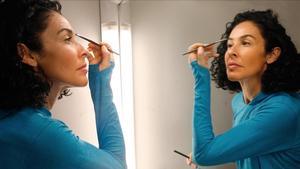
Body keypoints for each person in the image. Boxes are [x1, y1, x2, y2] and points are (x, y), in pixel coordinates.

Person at [0, 0, 126, 169]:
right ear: (27, 54)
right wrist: (101, 84)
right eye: (67, 38)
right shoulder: (41, 134)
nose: (84, 51)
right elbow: (116, 165)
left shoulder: (13, 122)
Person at [185, 9, 300, 169]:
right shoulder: (239, 101)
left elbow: (204, 154)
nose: (231, 51)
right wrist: (213, 152)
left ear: (271, 54)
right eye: (230, 44)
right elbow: (250, 151)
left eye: (245, 43)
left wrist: (201, 76)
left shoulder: (283, 110)